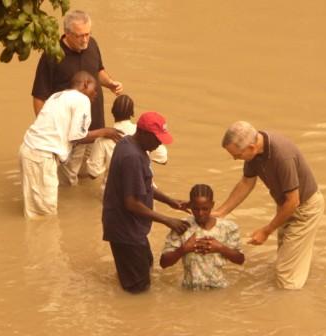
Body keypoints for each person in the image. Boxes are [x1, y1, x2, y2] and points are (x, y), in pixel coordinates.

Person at [213, 121, 325, 290]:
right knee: (286, 259)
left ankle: (290, 307)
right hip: (285, 206)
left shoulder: (282, 156)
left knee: (286, 280)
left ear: (251, 147)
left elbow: (293, 202)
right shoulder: (255, 153)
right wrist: (221, 212)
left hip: (304, 209)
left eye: (237, 155)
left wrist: (266, 231)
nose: (235, 158)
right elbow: (246, 183)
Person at [31, 9, 123, 186]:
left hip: (95, 129)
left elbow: (98, 71)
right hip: (68, 136)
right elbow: (39, 96)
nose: (85, 39)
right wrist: (47, 131)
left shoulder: (92, 45)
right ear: (67, 33)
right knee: (65, 183)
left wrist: (110, 83)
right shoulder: (51, 55)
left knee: (89, 177)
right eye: (80, 36)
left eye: (88, 34)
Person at [102, 111, 190, 294]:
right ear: (142, 133)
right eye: (157, 138)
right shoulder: (132, 157)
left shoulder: (129, 143)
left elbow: (145, 185)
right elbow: (131, 203)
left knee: (146, 266)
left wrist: (171, 201)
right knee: (138, 288)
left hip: (129, 227)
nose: (159, 143)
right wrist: (168, 220)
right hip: (125, 229)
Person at [20, 71, 109, 219]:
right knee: (45, 215)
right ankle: (45, 242)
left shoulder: (57, 96)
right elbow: (77, 136)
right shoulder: (82, 99)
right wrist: (105, 132)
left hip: (29, 150)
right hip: (42, 155)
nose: (96, 95)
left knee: (33, 211)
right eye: (95, 90)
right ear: (86, 84)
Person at [160, 184, 245, 290]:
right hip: (189, 290)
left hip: (219, 290)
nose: (200, 213)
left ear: (212, 205)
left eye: (205, 209)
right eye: (195, 209)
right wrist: (184, 249)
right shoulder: (182, 226)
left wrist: (220, 248)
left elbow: (240, 259)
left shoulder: (228, 227)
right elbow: (163, 263)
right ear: (190, 206)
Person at [86, 94, 168, 194]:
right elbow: (163, 159)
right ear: (132, 113)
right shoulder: (145, 134)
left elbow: (93, 174)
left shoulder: (103, 139)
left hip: (112, 193)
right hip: (144, 190)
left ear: (112, 112)